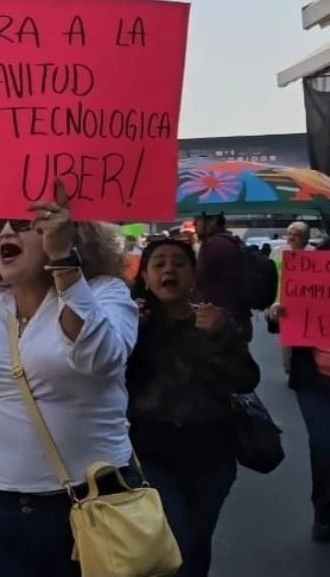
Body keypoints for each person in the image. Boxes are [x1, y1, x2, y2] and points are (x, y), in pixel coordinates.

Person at [0, 180, 139, 577]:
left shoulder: (105, 294)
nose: (4, 232)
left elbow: (100, 358)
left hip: (89, 511)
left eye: (21, 221)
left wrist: (63, 261)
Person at [128, 238, 259, 576]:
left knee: (198, 544)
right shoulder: (130, 323)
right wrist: (128, 332)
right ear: (145, 275)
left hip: (211, 458)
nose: (169, 269)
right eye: (158, 264)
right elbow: (106, 382)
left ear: (193, 275)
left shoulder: (216, 320)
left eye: (179, 263)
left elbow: (247, 379)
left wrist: (220, 335)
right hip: (152, 457)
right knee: (176, 542)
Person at [267, 236, 330, 544]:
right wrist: (275, 314)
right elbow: (280, 310)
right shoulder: (311, 270)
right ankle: (325, 515)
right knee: (324, 445)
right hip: (315, 381)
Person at [193, 212, 251, 341]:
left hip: (219, 320)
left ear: (213, 220)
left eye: (197, 220)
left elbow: (198, 279)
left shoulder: (212, 245)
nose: (194, 224)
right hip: (237, 317)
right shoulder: (232, 241)